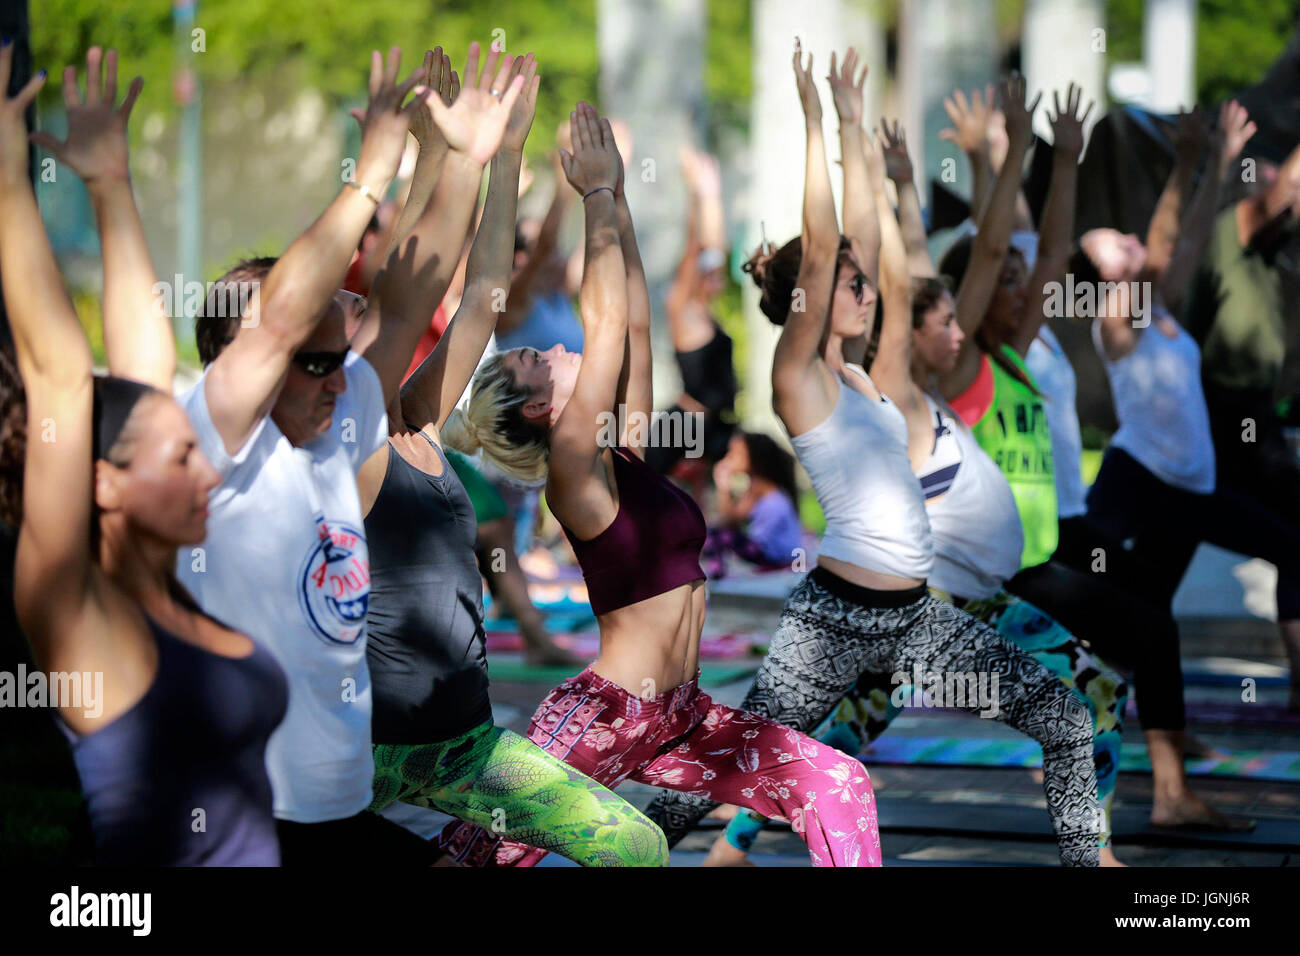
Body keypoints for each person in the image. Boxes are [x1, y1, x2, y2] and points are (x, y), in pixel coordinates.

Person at [644, 48, 1103, 867]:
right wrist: (820, 123)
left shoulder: (866, 374)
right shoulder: (799, 374)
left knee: (1065, 715)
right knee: (736, 759)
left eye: (863, 286)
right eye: (850, 287)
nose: (866, 294)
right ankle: (625, 844)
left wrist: (857, 129)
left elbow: (856, 240)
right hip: (835, 616)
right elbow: (827, 250)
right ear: (808, 302)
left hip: (916, 617)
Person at [434, 100, 881, 867]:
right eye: (539, 357)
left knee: (835, 782)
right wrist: (595, 196)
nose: (552, 347)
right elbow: (605, 329)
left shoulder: (622, 453)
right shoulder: (574, 475)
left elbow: (632, 327)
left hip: (679, 714)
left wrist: (620, 202)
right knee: (477, 858)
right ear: (542, 408)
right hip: (607, 715)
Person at [353, 49, 664, 865]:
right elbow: (405, 291)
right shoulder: (344, 444)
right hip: (366, 751)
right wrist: (444, 160)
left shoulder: (417, 415)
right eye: (339, 318)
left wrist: (509, 149)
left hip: (464, 744)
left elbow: (484, 292)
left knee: (634, 848)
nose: (356, 316)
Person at [177, 46, 465, 865]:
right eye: (313, 360)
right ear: (249, 359)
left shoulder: (338, 417)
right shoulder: (214, 442)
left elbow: (409, 296)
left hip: (335, 805)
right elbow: (279, 323)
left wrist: (456, 155)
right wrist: (370, 173)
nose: (338, 378)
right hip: (245, 814)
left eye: (338, 359)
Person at [3, 47, 286, 864]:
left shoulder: (161, 587)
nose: (208, 471)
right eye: (180, 460)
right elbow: (60, 377)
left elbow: (141, 373)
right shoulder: (78, 617)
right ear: (103, 483)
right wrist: (9, 181)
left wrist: (108, 183)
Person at [1065, 102, 1300, 819]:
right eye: (1111, 245)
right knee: (1124, 619)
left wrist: (1218, 162)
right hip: (1141, 486)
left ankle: (1168, 761)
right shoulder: (1117, 317)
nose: (1127, 243)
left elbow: (1190, 236)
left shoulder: (1159, 305)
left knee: (1148, 616)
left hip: (1183, 487)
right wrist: (1192, 163)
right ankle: (1101, 759)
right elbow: (1170, 236)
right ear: (1099, 276)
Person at [1184, 141, 1300, 708]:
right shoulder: (1236, 233)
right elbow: (1282, 192)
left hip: (1256, 419)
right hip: (1224, 418)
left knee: (1292, 542)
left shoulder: (1267, 251)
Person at [645, 147, 740, 475]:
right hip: (681, 428)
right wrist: (697, 196)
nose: (718, 277)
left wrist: (713, 194)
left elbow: (715, 249)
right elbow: (695, 246)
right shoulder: (681, 307)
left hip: (709, 427)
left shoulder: (704, 311)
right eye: (709, 273)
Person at [702, 430, 802, 578]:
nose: (729, 458)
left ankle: (717, 575)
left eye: (735, 453)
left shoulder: (760, 486)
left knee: (716, 533)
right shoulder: (760, 484)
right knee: (715, 531)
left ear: (754, 458)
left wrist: (723, 485)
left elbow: (729, 522)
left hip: (776, 556)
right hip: (778, 554)